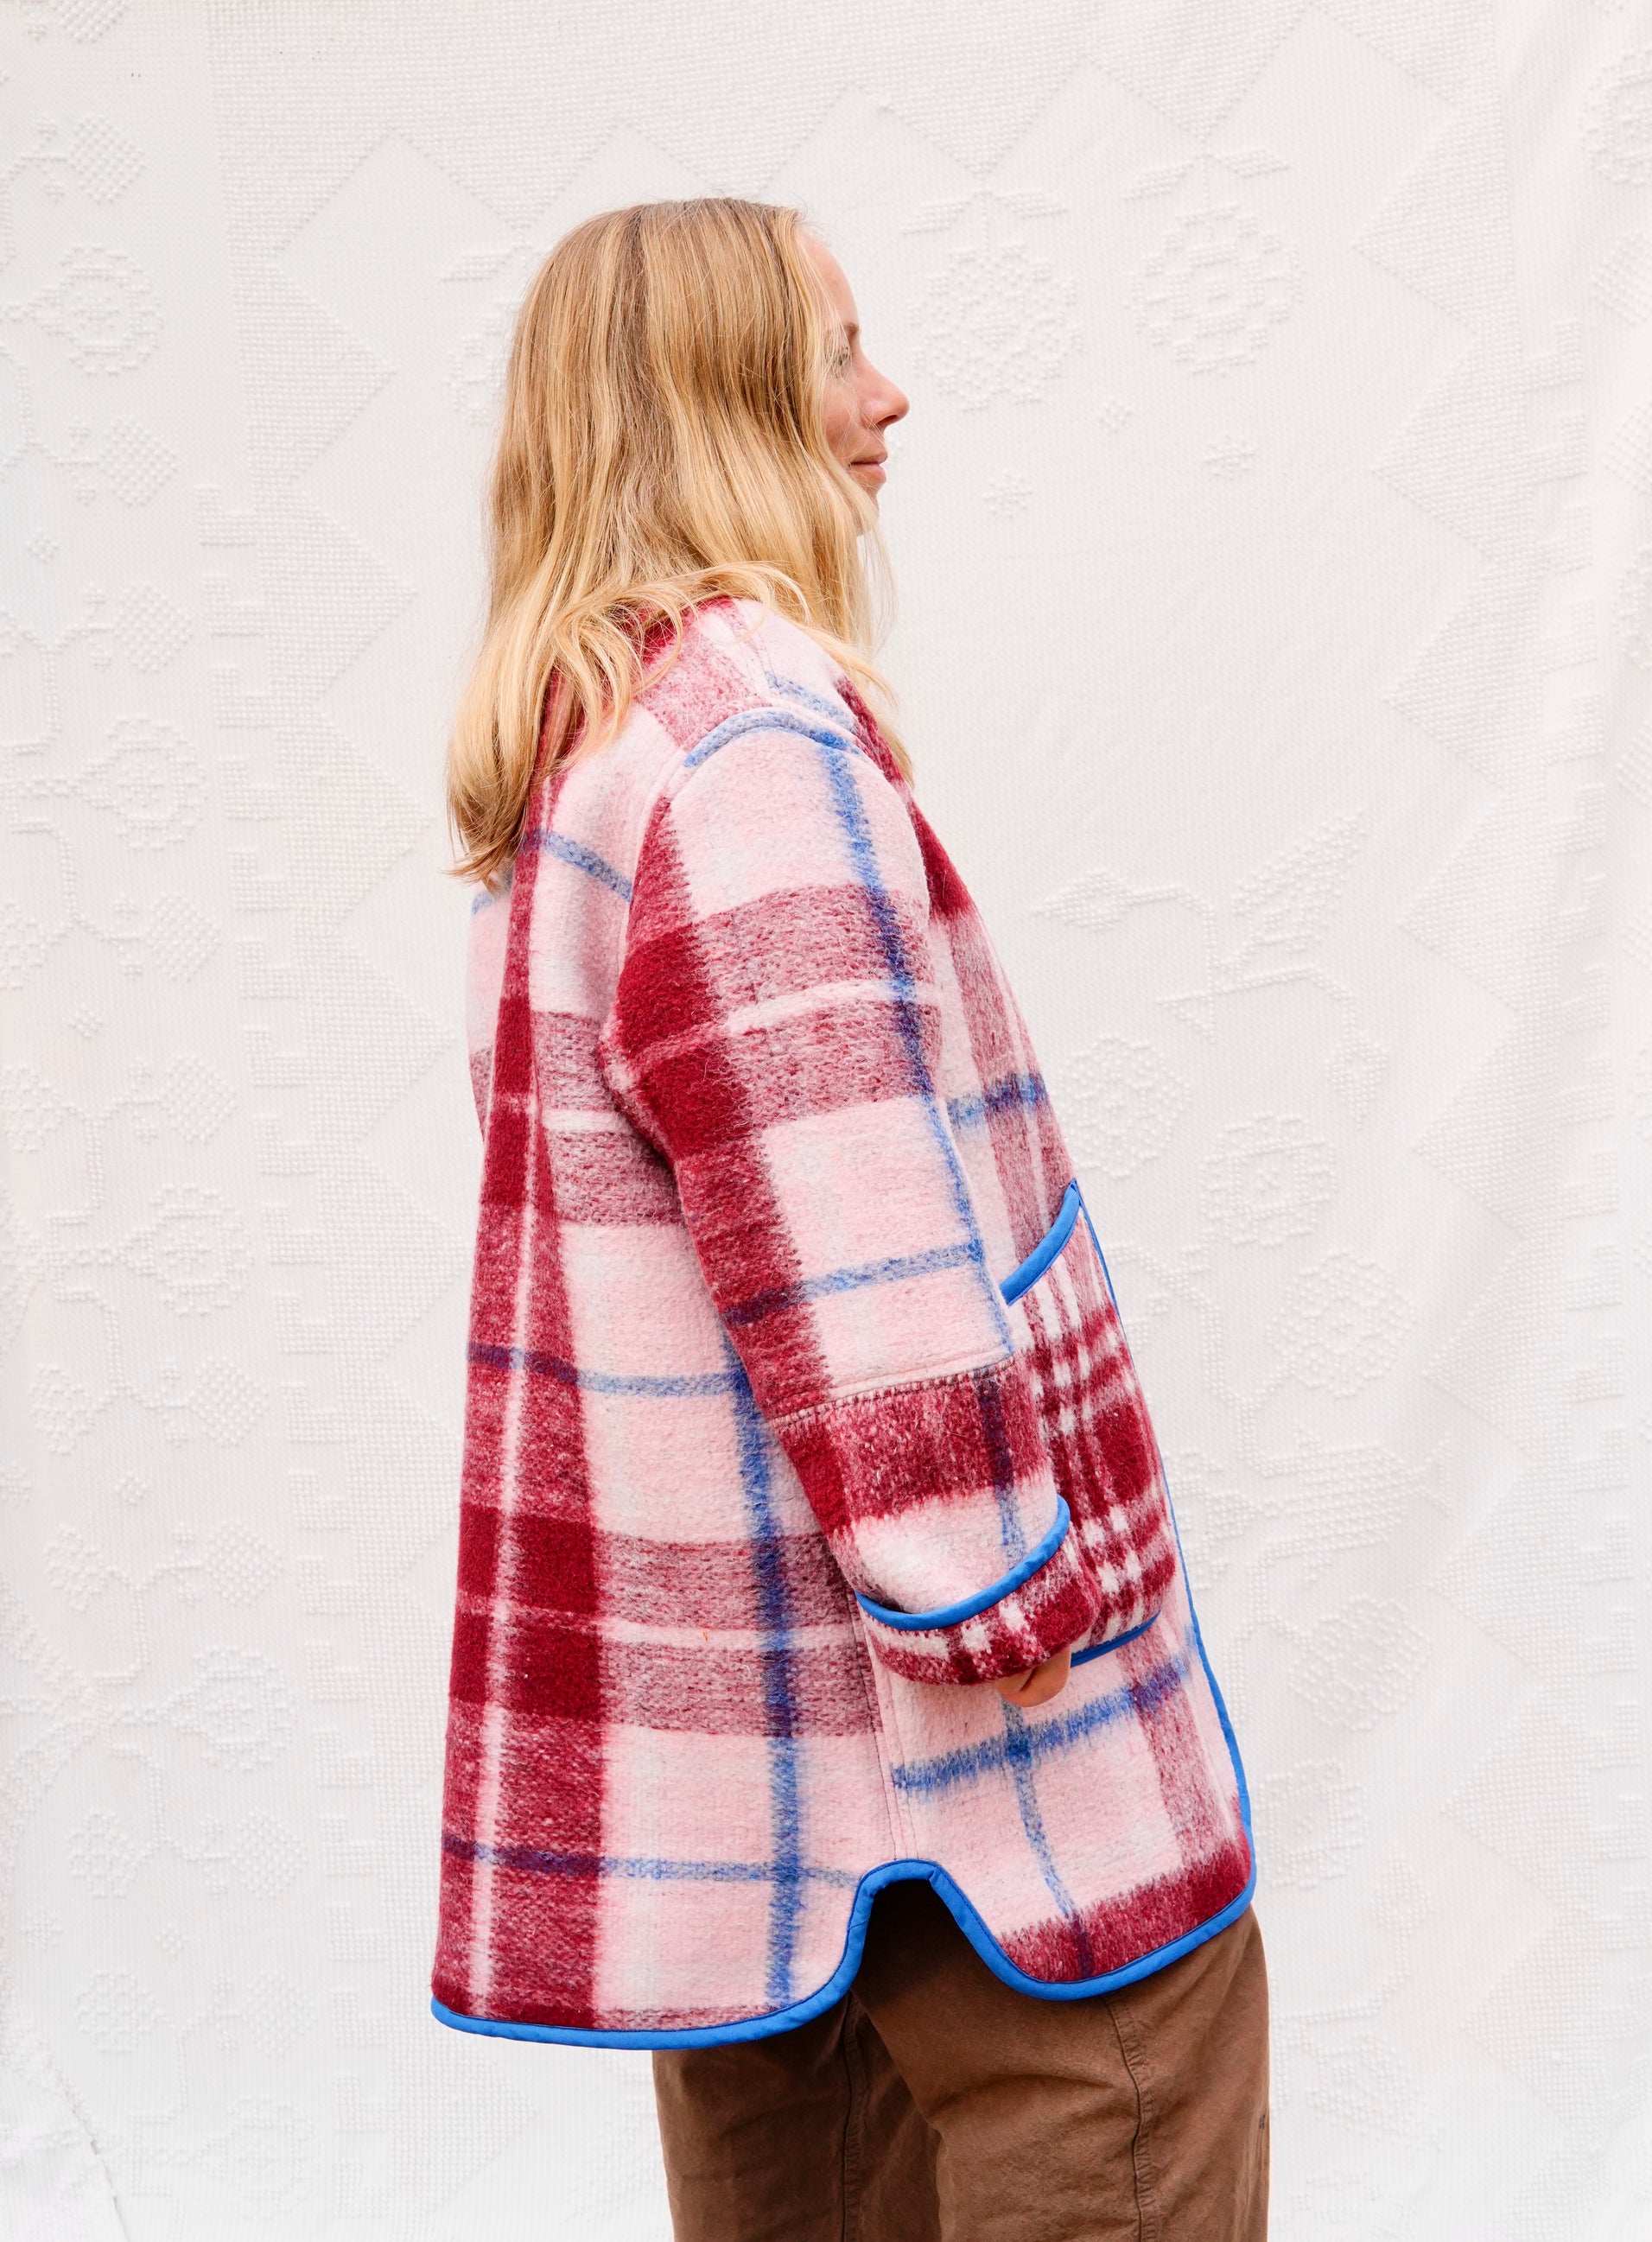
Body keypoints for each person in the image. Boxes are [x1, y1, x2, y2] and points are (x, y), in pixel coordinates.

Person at [431, 195, 1267, 2242]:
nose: (886, 398)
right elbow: (847, 1228)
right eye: (831, 351)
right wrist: (997, 1596)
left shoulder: (594, 751)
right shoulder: (745, 758)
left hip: (758, 1746)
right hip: (936, 1705)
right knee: (1129, 2078)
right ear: (720, 401)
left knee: (802, 2173)